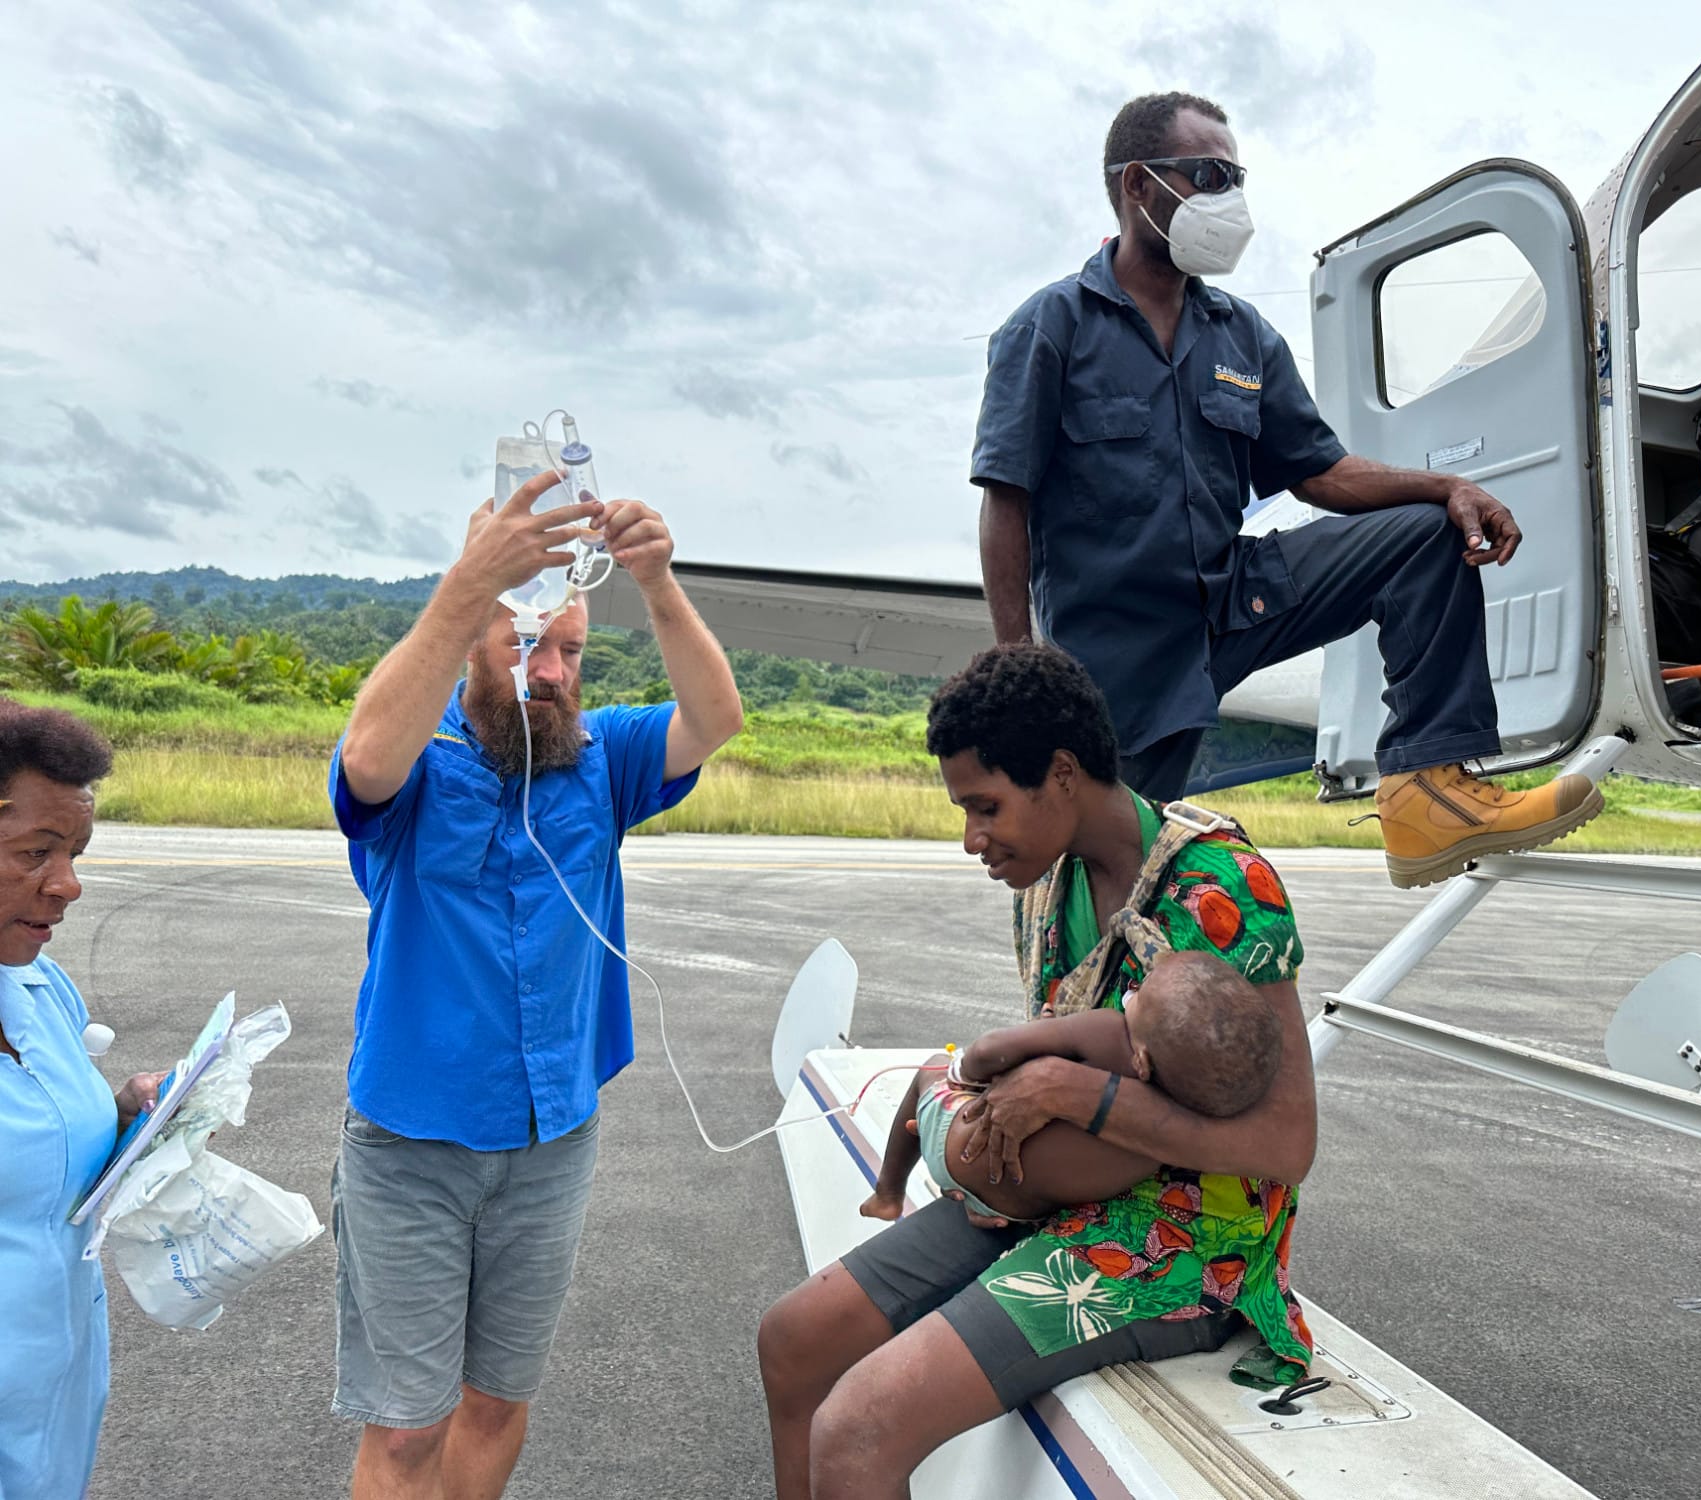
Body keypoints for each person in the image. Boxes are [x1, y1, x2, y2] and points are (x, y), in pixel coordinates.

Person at [971, 90, 1604, 890]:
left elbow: (1323, 473)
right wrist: (1019, 667)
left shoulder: (1241, 337)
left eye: (1237, 178)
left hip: (1235, 603)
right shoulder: (1050, 327)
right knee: (1112, 877)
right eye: (1209, 175)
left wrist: (1447, 484)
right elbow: (1006, 502)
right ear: (1138, 185)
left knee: (1421, 533)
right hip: (1117, 650)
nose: (1230, 200)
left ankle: (1428, 791)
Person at [758, 643, 1315, 1499]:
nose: (971, 839)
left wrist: (1081, 1099)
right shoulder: (1047, 885)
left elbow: (1285, 1143)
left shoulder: (1222, 887)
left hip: (1183, 1242)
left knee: (860, 1427)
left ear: (1060, 774)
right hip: (1058, 1197)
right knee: (792, 1342)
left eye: (986, 807)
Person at [327, 471, 744, 1500]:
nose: (549, 671)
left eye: (566, 650)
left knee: (499, 1403)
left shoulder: (605, 760)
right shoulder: (417, 769)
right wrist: (468, 585)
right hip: (413, 1148)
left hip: (552, 1141)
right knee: (405, 1434)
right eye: (523, 645)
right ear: (475, 644)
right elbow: (367, 757)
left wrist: (659, 585)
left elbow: (716, 716)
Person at [0, 703, 166, 1500]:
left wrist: (127, 1121)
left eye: (75, 852)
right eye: (36, 852)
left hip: (55, 1401)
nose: (67, 884)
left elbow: (45, 1166)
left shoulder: (37, 983)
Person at [862, 950, 1280, 1224]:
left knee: (930, 1069)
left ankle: (888, 1192)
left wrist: (964, 1072)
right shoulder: (1160, 1142)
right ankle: (971, 1199)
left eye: (1141, 994)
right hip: (1014, 1211)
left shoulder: (1109, 1032)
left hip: (960, 1147)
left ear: (1143, 1062)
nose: (1131, 992)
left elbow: (993, 1049)